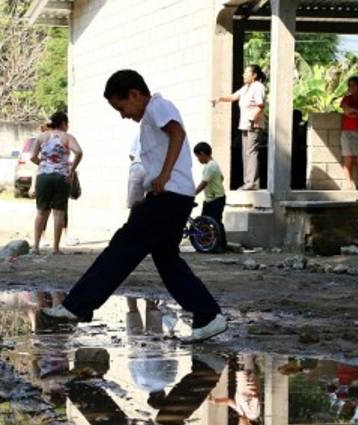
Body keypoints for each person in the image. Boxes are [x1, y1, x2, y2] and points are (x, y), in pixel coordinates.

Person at [41, 70, 227, 343]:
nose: (123, 114)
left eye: (122, 106)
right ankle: (208, 316)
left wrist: (163, 176)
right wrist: (153, 186)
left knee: (122, 248)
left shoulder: (157, 106)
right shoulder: (149, 116)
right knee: (168, 261)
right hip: (171, 196)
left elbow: (177, 134)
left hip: (170, 196)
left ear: (135, 94)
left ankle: (77, 305)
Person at [29, 111, 83, 254]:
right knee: (58, 213)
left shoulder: (41, 137)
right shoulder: (67, 137)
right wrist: (71, 169)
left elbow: (32, 157)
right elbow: (79, 152)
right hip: (61, 177)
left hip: (44, 176)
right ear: (64, 123)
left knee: (41, 212)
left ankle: (35, 246)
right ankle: (56, 248)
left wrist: (43, 163)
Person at [212, 64, 266, 190]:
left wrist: (252, 118)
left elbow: (260, 105)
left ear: (254, 75)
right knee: (246, 153)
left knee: (251, 153)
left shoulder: (258, 87)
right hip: (245, 126)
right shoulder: (246, 87)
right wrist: (219, 98)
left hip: (253, 125)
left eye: (247, 73)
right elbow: (233, 97)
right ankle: (250, 182)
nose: (244, 75)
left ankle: (251, 183)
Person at [193, 142, 227, 252]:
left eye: (198, 156)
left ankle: (218, 246)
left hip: (215, 198)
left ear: (202, 154)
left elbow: (204, 183)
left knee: (214, 222)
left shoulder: (210, 166)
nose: (198, 159)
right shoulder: (214, 164)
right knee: (207, 222)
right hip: (214, 197)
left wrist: (192, 194)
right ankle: (208, 244)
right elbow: (222, 178)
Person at [127, 133, 146, 209]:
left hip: (138, 165)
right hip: (150, 167)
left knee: (134, 204)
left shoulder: (140, 134)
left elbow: (131, 155)